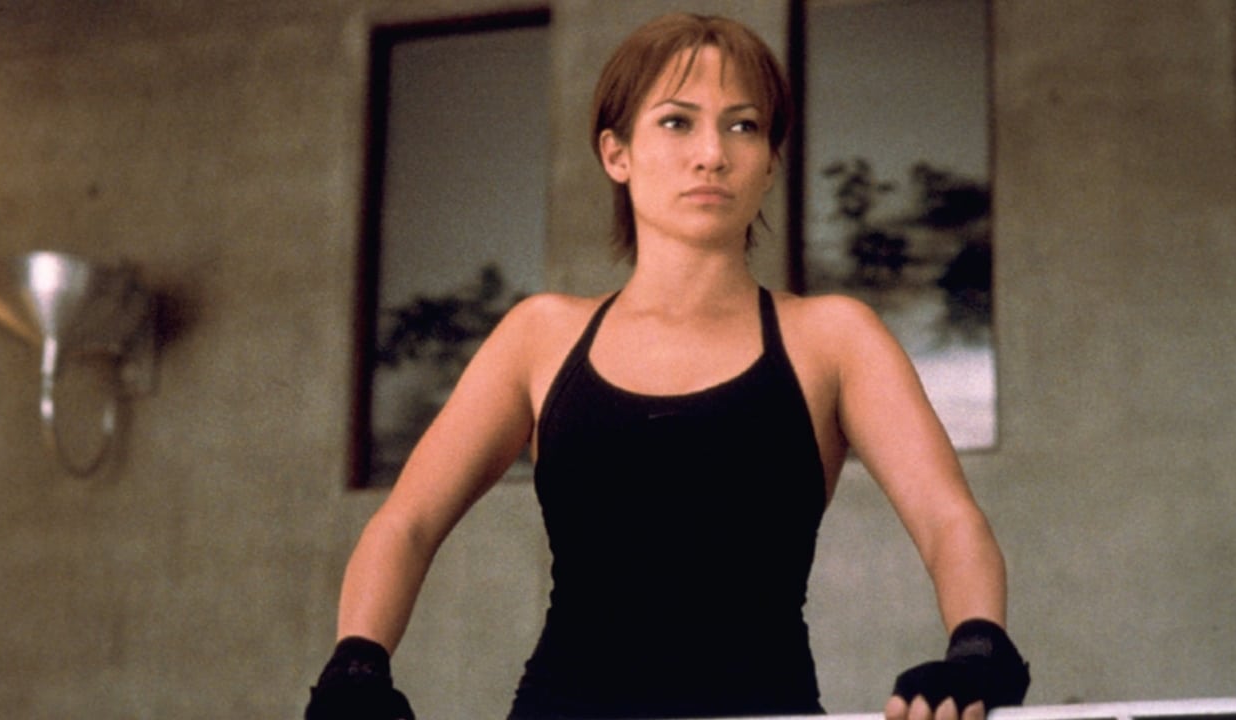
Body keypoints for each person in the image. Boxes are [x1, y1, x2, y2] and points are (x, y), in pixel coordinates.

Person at [306, 12, 1029, 720]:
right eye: (677, 122)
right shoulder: (540, 337)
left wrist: (976, 645)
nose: (711, 153)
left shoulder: (834, 339)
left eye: (743, 126)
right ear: (615, 153)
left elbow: (947, 518)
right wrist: (357, 663)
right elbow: (407, 522)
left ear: (770, 162)